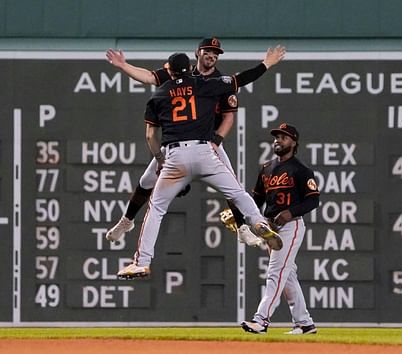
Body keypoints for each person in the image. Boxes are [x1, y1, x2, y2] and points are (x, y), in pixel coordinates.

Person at [117, 47, 286, 279]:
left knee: (155, 209)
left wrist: (159, 158)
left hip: (175, 156)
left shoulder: (159, 95)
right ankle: (257, 222)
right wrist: (266, 63)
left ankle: (141, 262)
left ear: (170, 70)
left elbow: (150, 136)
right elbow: (240, 79)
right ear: (189, 68)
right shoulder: (205, 84)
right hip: (204, 151)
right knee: (237, 193)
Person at [105, 37, 262, 247]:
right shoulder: (182, 72)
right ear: (197, 53)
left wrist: (216, 141)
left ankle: (242, 227)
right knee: (146, 181)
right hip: (177, 141)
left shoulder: (217, 80)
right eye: (208, 51)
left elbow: (228, 116)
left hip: (207, 141)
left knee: (232, 185)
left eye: (216, 53)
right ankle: (127, 220)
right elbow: (149, 77)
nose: (212, 55)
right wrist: (124, 66)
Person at [241, 123, 320, 335]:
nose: (278, 140)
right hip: (270, 228)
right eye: (276, 136)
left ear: (294, 142)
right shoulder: (267, 168)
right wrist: (243, 218)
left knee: (276, 273)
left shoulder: (302, 171)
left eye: (283, 137)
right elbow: (256, 199)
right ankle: (305, 323)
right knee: (288, 275)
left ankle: (261, 320)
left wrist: (289, 213)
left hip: (291, 227)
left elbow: (313, 201)